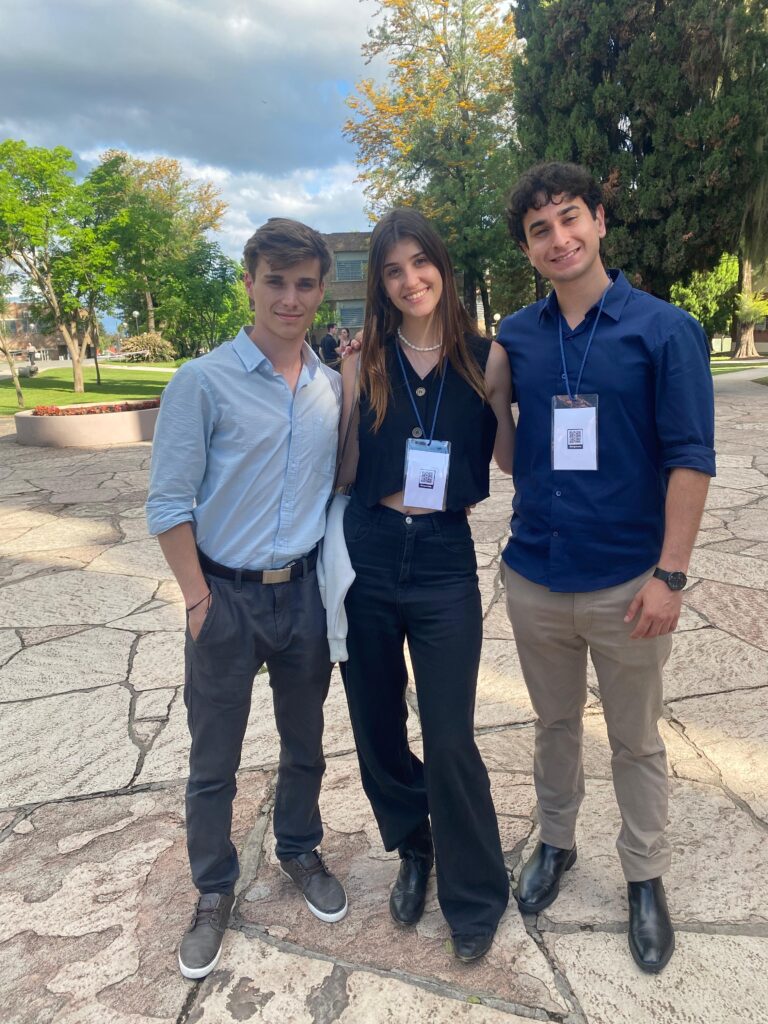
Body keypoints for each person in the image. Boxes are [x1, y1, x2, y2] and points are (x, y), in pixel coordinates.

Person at [497, 162, 716, 973]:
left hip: (631, 580)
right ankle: (556, 844)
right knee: (554, 727)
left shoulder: (663, 329)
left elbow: (691, 459)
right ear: (528, 249)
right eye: (539, 230)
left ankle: (645, 876)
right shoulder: (519, 336)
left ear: (598, 221)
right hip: (538, 575)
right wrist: (493, 401)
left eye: (569, 219)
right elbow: (518, 460)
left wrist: (672, 574)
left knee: (635, 739)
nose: (559, 239)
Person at [146, 217, 347, 982]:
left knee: (305, 745)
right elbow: (168, 505)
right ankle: (214, 887)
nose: (289, 299)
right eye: (276, 281)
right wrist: (198, 601)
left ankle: (299, 848)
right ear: (250, 282)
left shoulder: (331, 388)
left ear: (321, 289)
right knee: (214, 759)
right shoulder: (203, 381)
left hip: (301, 597)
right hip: (223, 598)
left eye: (304, 284)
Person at [338, 208, 515, 962]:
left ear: (442, 265)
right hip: (370, 550)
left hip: (444, 555)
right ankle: (414, 847)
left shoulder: (489, 358)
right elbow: (342, 469)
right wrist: (346, 382)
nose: (410, 280)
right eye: (393, 269)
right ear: (381, 284)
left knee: (448, 737)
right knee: (377, 725)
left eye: (420, 262)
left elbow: (508, 458)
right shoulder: (363, 357)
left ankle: (474, 896)